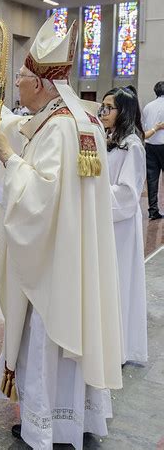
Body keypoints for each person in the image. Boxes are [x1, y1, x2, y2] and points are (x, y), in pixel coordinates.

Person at [0, 14, 122, 449]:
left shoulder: (61, 128)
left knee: (46, 340)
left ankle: (47, 426)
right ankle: (71, 420)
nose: (18, 83)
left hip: (54, 264)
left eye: (21, 76)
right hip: (73, 258)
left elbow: (40, 198)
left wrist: (7, 159)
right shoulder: (73, 118)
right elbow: (11, 125)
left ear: (40, 83)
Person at [99, 87, 148, 364]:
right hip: (106, 222)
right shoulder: (109, 139)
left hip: (120, 227)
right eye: (103, 107)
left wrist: (95, 193)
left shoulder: (133, 145)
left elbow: (128, 195)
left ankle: (119, 347)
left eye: (110, 107)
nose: (104, 112)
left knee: (119, 283)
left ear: (124, 112)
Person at [142, 81, 164, 219]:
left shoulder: (147, 106)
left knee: (152, 179)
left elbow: (145, 126)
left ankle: (153, 210)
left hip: (150, 145)